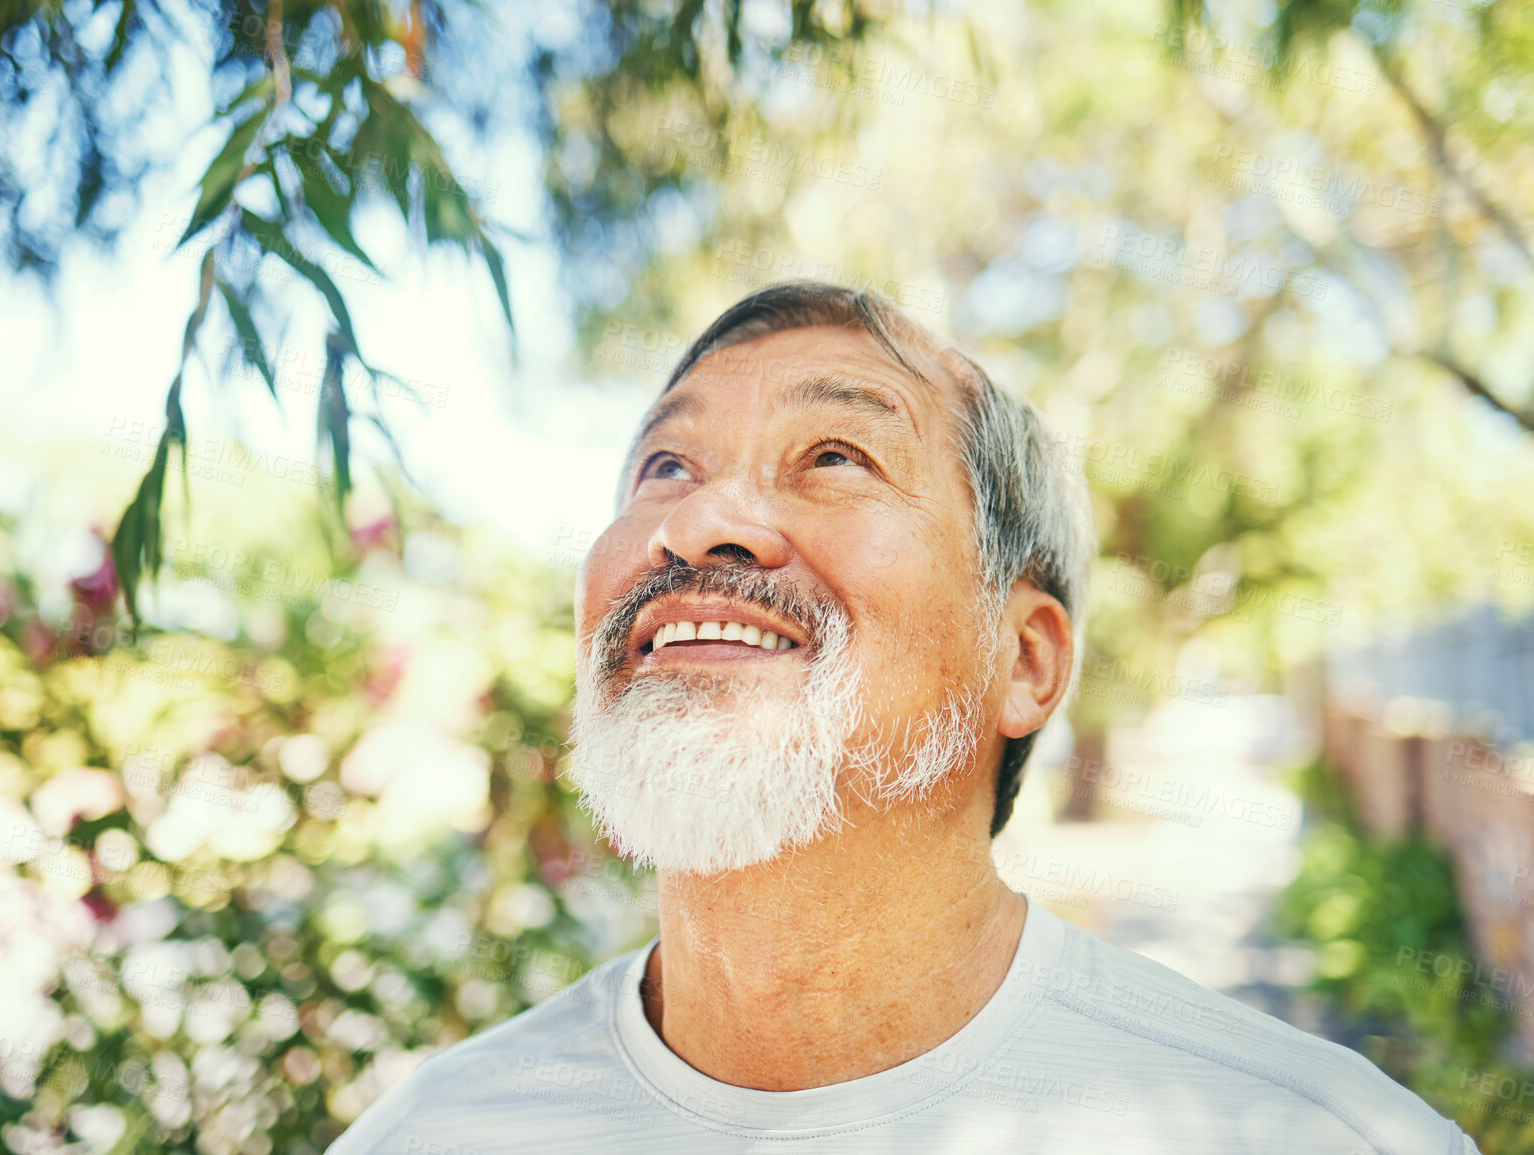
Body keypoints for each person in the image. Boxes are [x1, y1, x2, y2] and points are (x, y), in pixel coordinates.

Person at [330, 281, 1480, 1153]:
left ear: (1025, 661)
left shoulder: (1305, 1137)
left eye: (834, 455)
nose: (698, 523)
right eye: (666, 466)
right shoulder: (433, 1133)